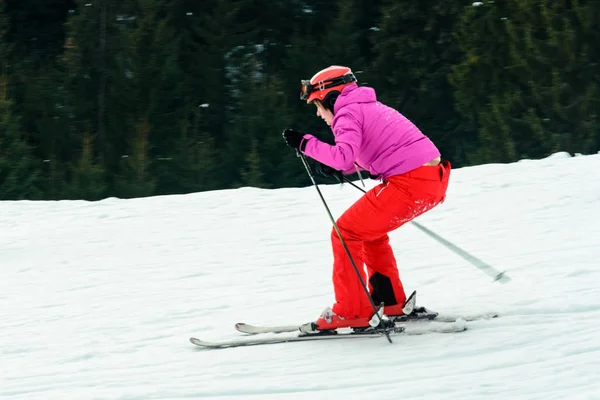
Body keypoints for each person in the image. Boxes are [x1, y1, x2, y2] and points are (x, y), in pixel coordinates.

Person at [282, 65, 451, 331]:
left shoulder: (346, 112)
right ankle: (389, 301)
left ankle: (353, 311)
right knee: (368, 232)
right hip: (432, 181)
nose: (318, 113)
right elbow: (370, 153)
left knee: (344, 233)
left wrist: (306, 144)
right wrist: (339, 167)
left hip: (408, 184)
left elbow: (343, 156)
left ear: (331, 98)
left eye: (317, 105)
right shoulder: (366, 106)